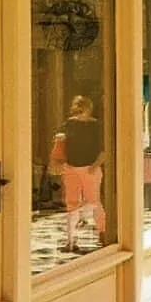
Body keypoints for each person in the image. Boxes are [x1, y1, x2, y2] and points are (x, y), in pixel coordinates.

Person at [61, 95, 106, 253]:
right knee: (72, 203)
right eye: (77, 108)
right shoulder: (70, 124)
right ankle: (71, 240)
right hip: (71, 168)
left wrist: (95, 165)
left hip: (89, 168)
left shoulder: (96, 126)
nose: (80, 112)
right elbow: (63, 143)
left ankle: (102, 233)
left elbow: (104, 148)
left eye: (82, 108)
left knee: (93, 202)